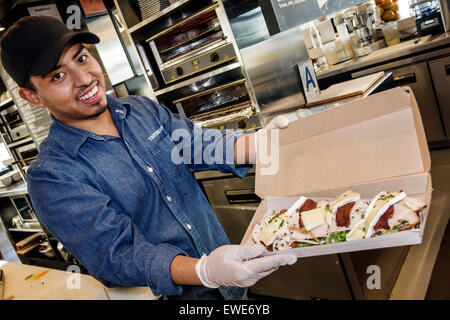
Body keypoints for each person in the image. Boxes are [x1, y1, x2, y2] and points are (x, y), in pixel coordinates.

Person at [0, 16, 297, 300]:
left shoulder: (141, 110)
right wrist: (204, 270)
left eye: (81, 58)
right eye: (58, 76)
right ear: (32, 97)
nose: (84, 78)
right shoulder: (53, 175)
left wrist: (260, 143)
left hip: (232, 282)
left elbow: (198, 144)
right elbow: (118, 254)